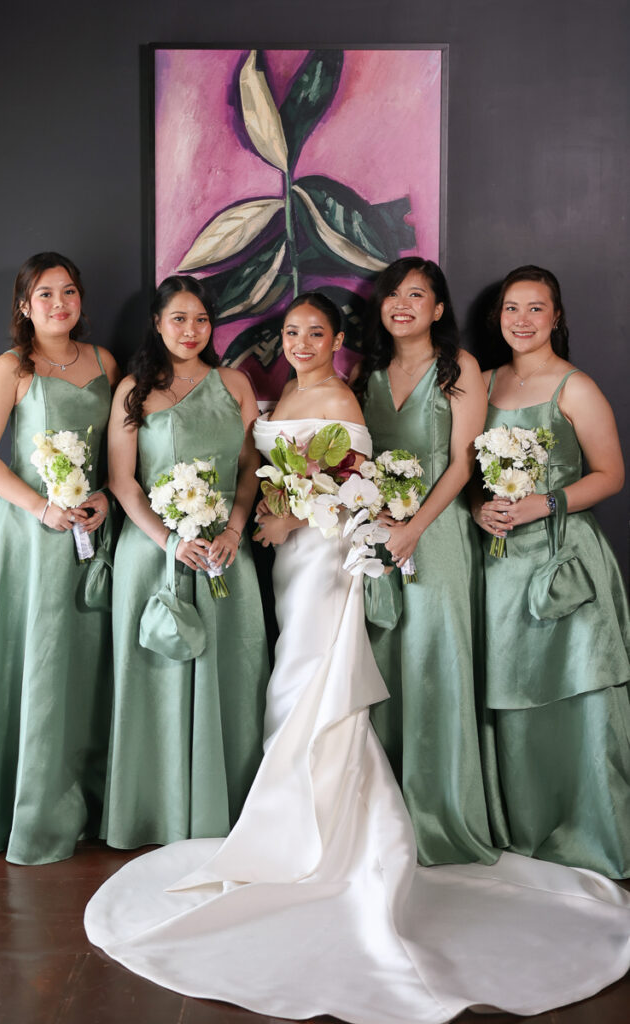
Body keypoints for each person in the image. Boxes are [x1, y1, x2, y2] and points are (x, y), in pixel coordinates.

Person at [85, 291, 630, 1024]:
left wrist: (289, 514)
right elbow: (266, 469)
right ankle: (295, 810)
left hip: (324, 554)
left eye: (315, 332)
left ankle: (321, 827)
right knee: (293, 677)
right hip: (287, 559)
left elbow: (353, 487)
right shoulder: (280, 394)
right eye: (291, 331)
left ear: (336, 339)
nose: (302, 341)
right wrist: (270, 511)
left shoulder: (342, 395)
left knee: (315, 678)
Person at [0, 251, 119, 864]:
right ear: (25, 305)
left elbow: (118, 455)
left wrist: (103, 498)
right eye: (45, 294)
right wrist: (40, 508)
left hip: (89, 533)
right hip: (26, 537)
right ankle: (15, 812)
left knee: (81, 665)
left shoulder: (105, 362)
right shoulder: (11, 368)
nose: (58, 304)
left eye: (68, 291)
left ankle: (81, 806)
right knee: (29, 662)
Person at [100, 275, 268, 848]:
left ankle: (230, 810)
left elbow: (250, 469)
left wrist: (235, 528)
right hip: (154, 554)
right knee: (156, 679)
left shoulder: (235, 384)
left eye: (201, 319)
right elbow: (122, 481)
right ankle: (153, 812)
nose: (191, 330)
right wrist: (170, 542)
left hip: (225, 552)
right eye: (179, 319)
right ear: (157, 323)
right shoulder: (133, 390)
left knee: (233, 673)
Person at [474, 264, 630, 878]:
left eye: (536, 308)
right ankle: (527, 826)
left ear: (556, 316)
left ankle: (593, 832)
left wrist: (546, 502)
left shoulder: (576, 387)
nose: (522, 320)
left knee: (579, 691)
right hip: (500, 567)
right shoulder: (481, 382)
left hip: (565, 561)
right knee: (514, 694)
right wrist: (478, 507)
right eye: (512, 308)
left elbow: (611, 475)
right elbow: (462, 469)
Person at [354, 257, 499, 864]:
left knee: (437, 658)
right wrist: (378, 521)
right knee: (383, 660)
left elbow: (464, 463)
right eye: (393, 294)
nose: (402, 304)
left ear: (438, 309)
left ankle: (440, 812)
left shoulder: (459, 367)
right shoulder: (365, 373)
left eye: (417, 295)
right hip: (376, 534)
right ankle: (384, 816)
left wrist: (414, 528)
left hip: (437, 533)